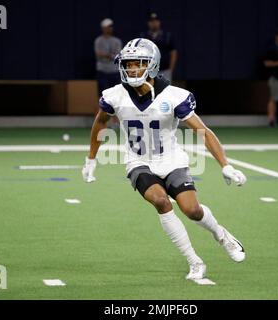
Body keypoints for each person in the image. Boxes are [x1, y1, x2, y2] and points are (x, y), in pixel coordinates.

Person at [82, 38, 247, 280]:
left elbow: (203, 131)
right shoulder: (114, 95)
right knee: (161, 201)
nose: (131, 69)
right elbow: (100, 124)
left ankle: (222, 236)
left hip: (171, 159)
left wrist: (226, 164)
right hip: (138, 161)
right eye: (127, 65)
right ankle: (194, 261)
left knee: (192, 210)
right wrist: (91, 159)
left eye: (137, 64)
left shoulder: (174, 96)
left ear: (152, 65)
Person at [140, 13, 177, 82]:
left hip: (165, 70)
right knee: (149, 91)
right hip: (149, 70)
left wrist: (171, 69)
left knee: (165, 91)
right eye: (151, 21)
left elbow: (173, 53)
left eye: (156, 21)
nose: (154, 23)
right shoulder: (143, 36)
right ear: (148, 23)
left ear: (159, 22)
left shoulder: (167, 36)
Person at [94, 18, 122, 97]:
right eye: (108, 27)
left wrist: (106, 55)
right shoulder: (98, 40)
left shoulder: (117, 41)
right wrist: (110, 55)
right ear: (103, 28)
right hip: (102, 71)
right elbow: (98, 54)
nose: (110, 28)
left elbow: (117, 56)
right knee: (103, 95)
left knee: (116, 95)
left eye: (111, 27)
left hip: (114, 72)